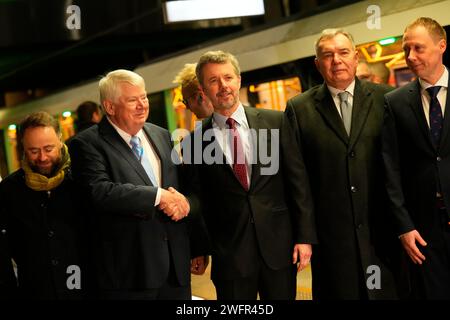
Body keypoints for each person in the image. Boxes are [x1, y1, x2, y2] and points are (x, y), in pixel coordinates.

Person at [182, 50, 316, 300]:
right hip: (230, 256)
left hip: (279, 249)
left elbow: (298, 182)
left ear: (239, 80)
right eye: (214, 81)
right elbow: (197, 199)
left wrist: (304, 237)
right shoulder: (192, 144)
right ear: (203, 88)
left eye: (228, 78)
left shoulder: (276, 122)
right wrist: (198, 248)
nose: (223, 86)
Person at [69, 69, 207, 299]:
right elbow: (99, 191)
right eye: (133, 100)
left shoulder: (163, 135)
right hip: (129, 274)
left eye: (143, 97)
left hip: (175, 269)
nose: (142, 105)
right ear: (110, 107)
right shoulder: (87, 143)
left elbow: (184, 191)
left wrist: (197, 244)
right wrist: (158, 196)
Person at [285, 29, 398, 300]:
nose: (336, 60)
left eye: (343, 52)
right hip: (332, 238)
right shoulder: (299, 110)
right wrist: (305, 235)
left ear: (356, 57)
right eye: (328, 55)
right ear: (317, 64)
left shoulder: (388, 99)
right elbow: (297, 176)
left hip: (383, 233)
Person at [382, 17, 450, 299]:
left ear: (441, 46)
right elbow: (390, 168)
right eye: (406, 49)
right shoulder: (395, 102)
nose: (410, 56)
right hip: (423, 232)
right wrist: (404, 227)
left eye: (418, 48)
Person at [0, 111, 87, 299]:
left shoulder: (82, 181)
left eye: (49, 149)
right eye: (33, 151)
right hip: (34, 291)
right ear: (23, 147)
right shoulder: (8, 190)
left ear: (60, 140)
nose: (42, 158)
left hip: (82, 288)